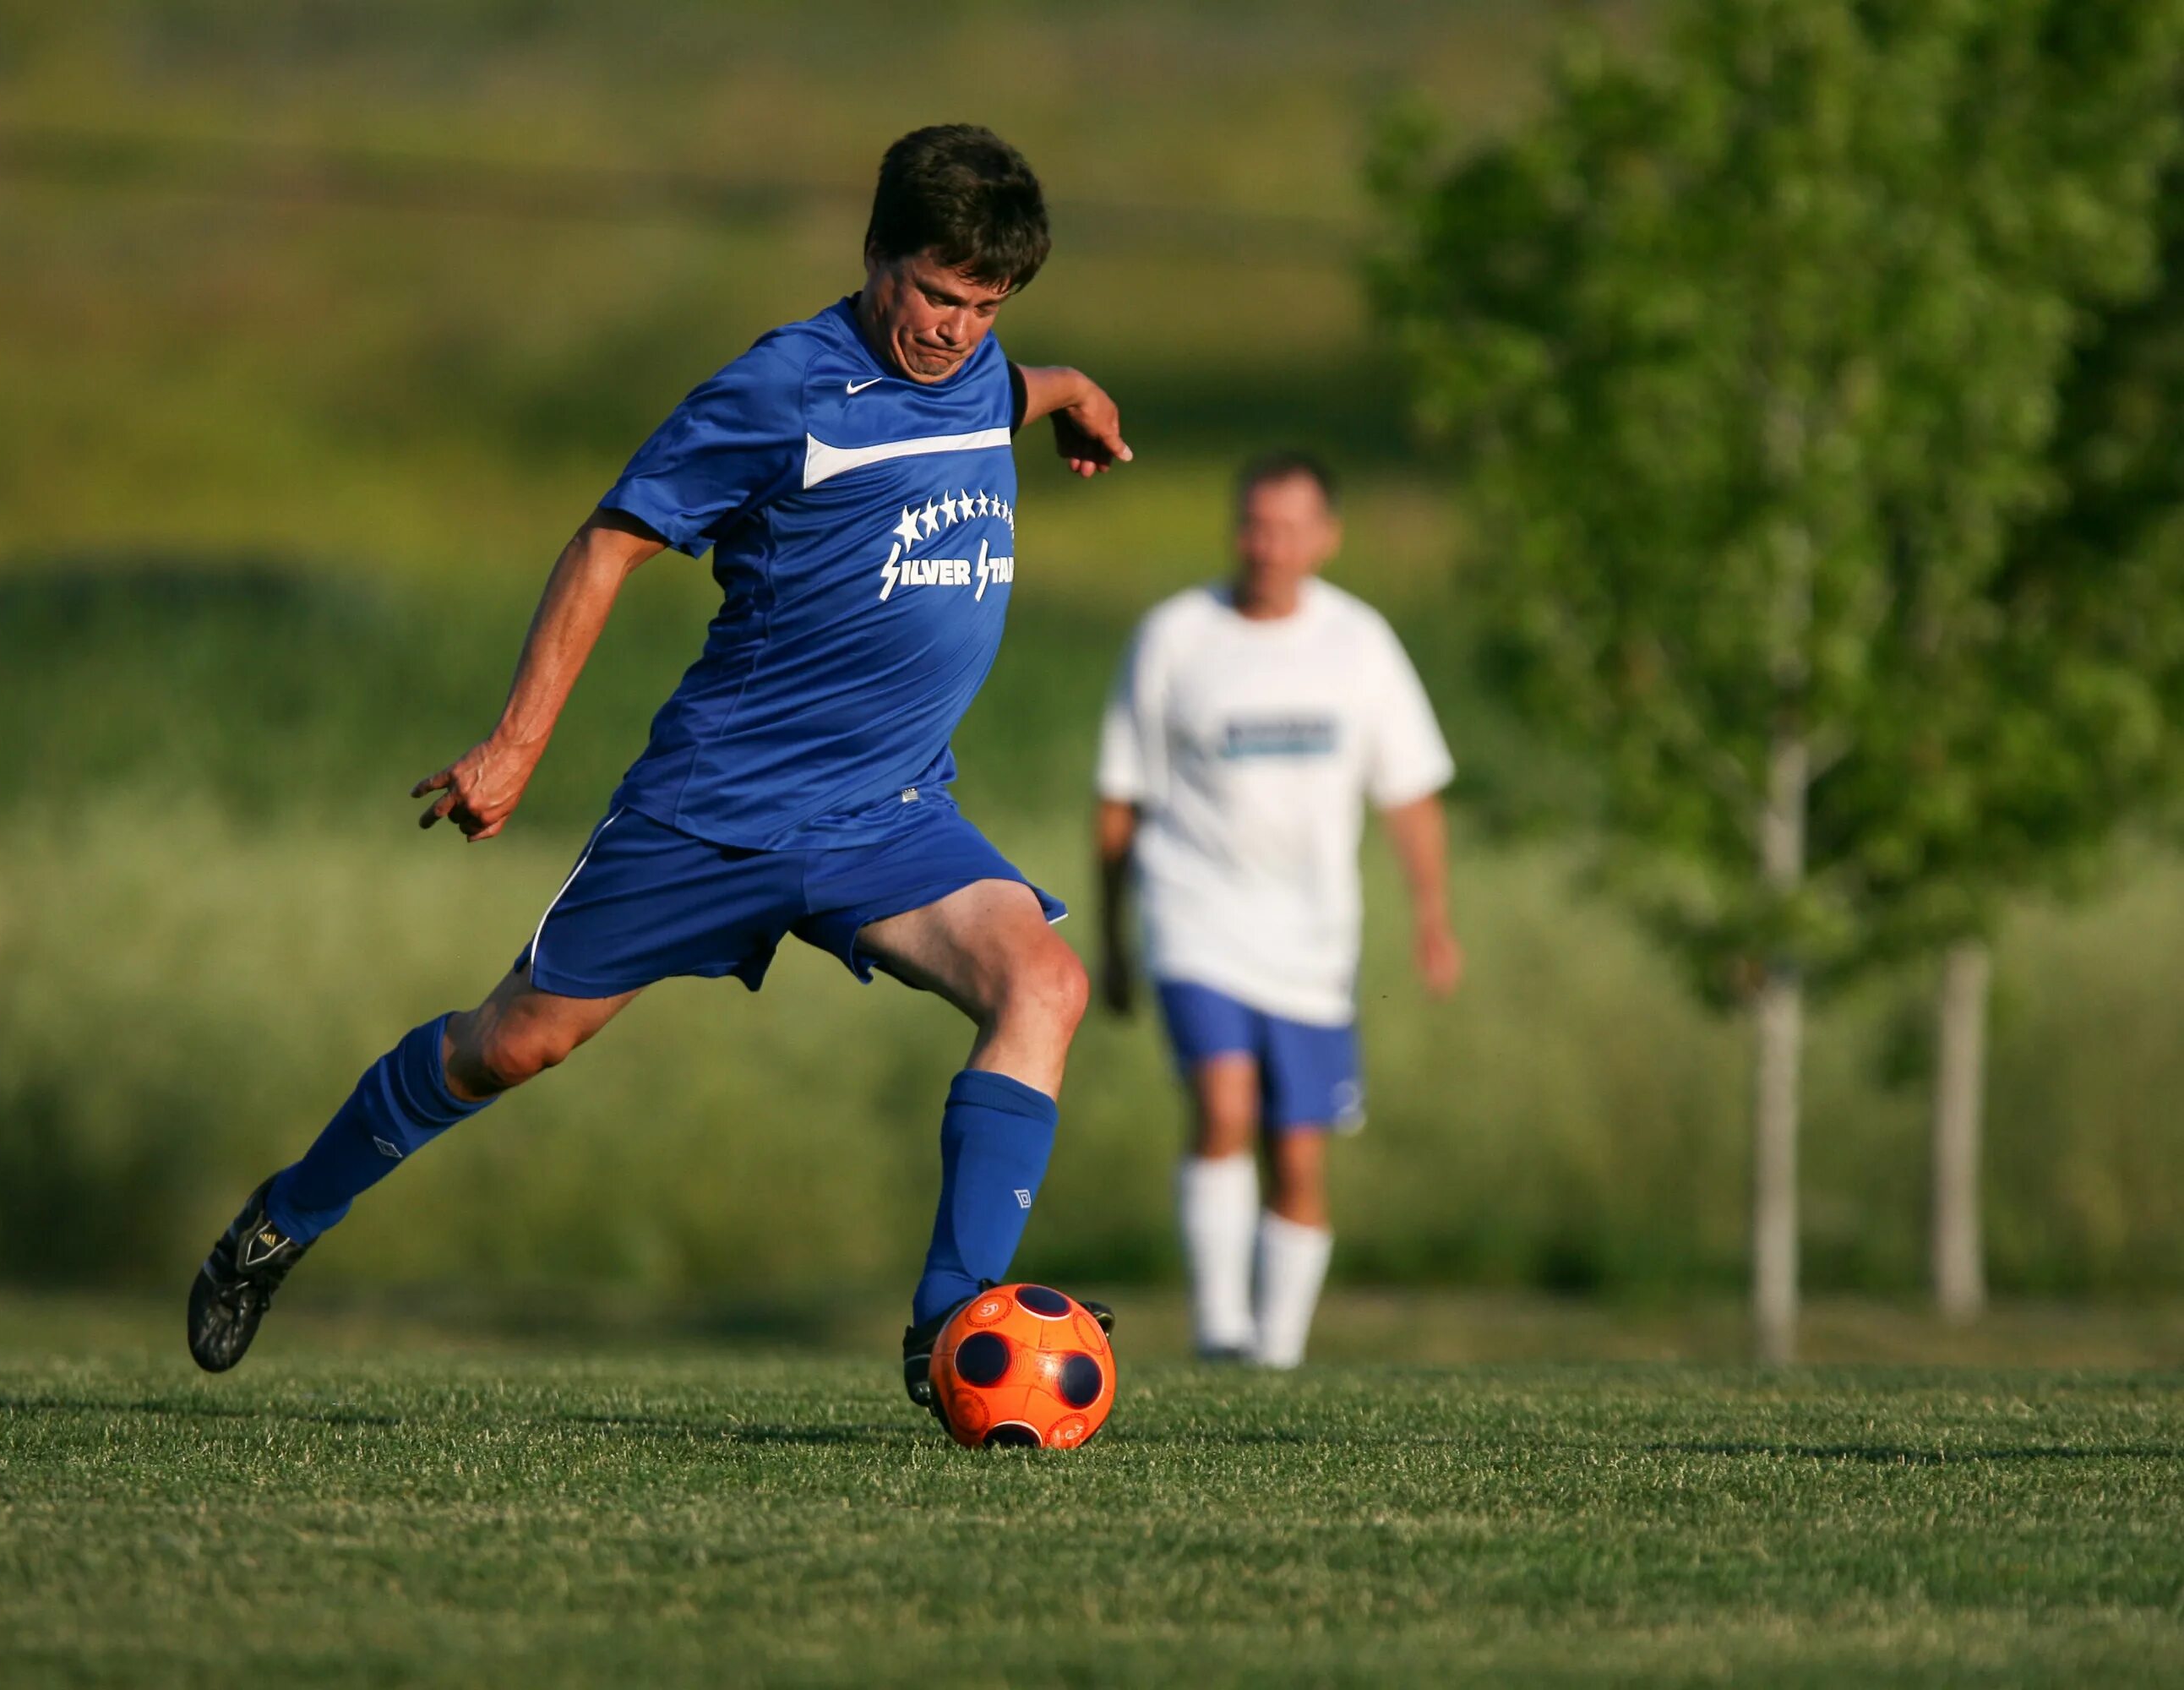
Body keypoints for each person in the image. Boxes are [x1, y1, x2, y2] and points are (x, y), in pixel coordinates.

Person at [187, 125, 1131, 1415]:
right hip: (718, 813)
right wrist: (516, 744)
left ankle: (950, 1327)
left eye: (983, 307)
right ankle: (281, 1223)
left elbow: (1024, 384)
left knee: (1045, 982)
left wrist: (1078, 398)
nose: (952, 331)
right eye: (932, 294)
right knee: (508, 1048)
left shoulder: (978, 372)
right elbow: (607, 544)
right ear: (874, 258)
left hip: (889, 816)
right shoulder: (781, 388)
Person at [1094, 452, 1458, 1368]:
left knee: (1297, 1149)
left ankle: (1277, 1353)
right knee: (1224, 1102)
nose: (1268, 545)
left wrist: (1432, 917)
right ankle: (1219, 1327)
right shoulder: (1176, 635)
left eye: (1289, 527)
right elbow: (1120, 797)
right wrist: (1113, 941)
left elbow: (1409, 791)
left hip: (1312, 935)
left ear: (1326, 538)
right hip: (1193, 911)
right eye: (1254, 524)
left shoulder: (1361, 642)